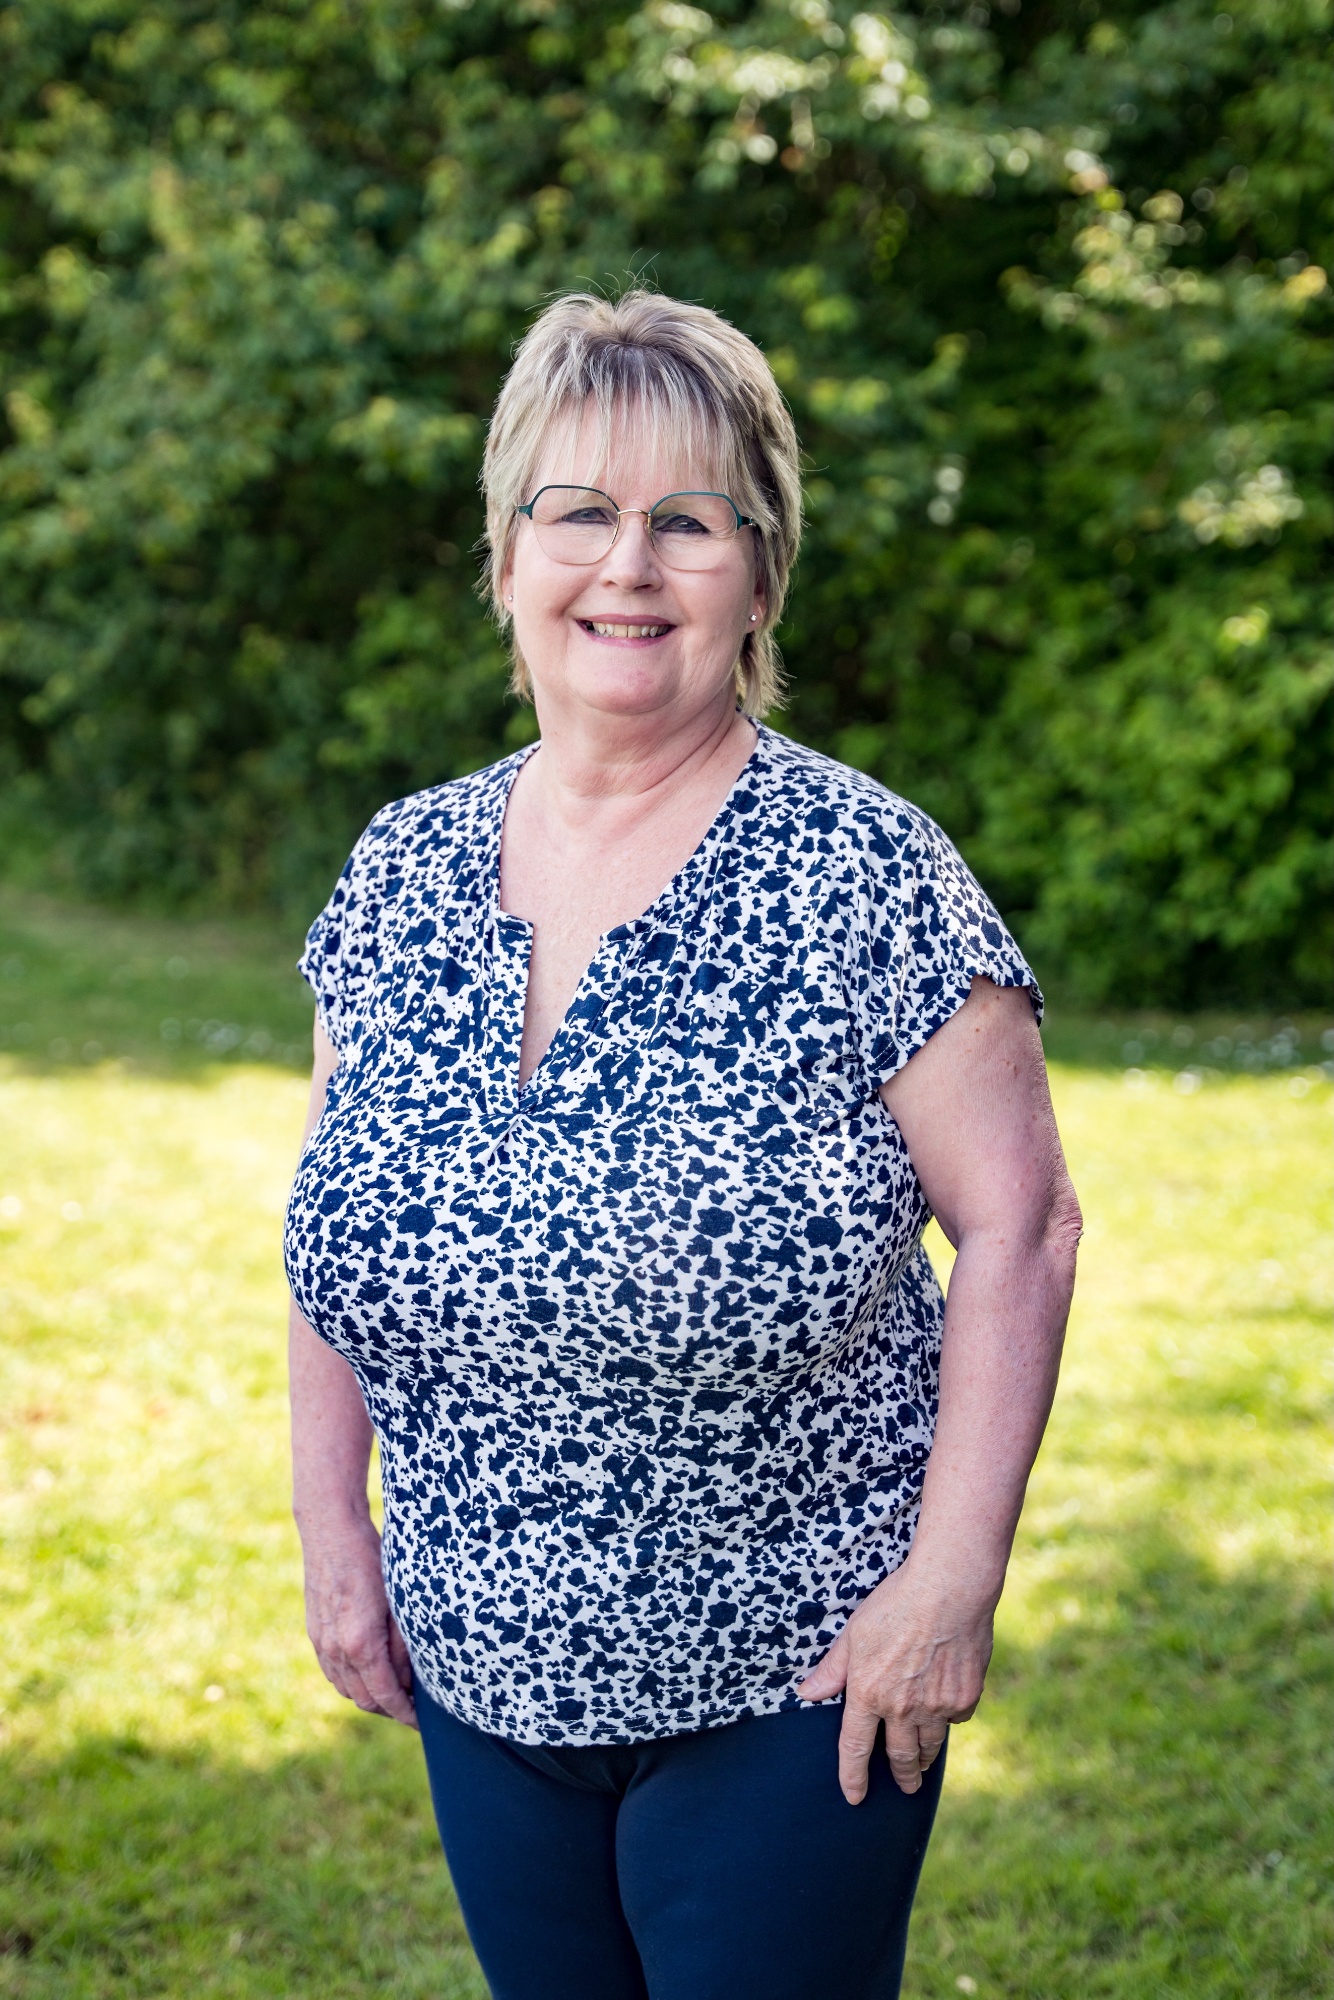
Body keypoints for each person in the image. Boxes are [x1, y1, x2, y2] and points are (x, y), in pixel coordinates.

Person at [284, 289, 1082, 2000]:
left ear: (759, 574)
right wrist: (336, 1539)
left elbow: (1022, 1230)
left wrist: (951, 1583)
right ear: (507, 558)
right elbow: (341, 1224)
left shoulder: (866, 874)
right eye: (577, 511)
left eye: (689, 522)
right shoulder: (399, 873)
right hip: (476, 1667)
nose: (627, 566)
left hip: (795, 1676)